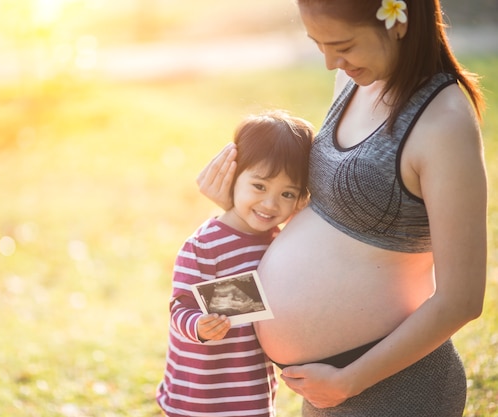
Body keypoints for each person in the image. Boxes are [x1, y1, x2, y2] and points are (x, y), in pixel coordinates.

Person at [197, 0, 487, 416]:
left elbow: (462, 300)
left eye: (343, 44)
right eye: (319, 45)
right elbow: (329, 214)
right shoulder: (354, 82)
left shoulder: (444, 122)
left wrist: (348, 381)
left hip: (389, 386)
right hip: (320, 387)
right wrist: (237, 212)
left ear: (397, 21)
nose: (332, 62)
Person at [157, 110, 314, 417]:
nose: (270, 204)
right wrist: (198, 325)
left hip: (250, 392)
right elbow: (180, 305)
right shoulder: (204, 245)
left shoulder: (279, 243)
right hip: (196, 396)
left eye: (286, 193)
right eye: (259, 186)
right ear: (233, 175)